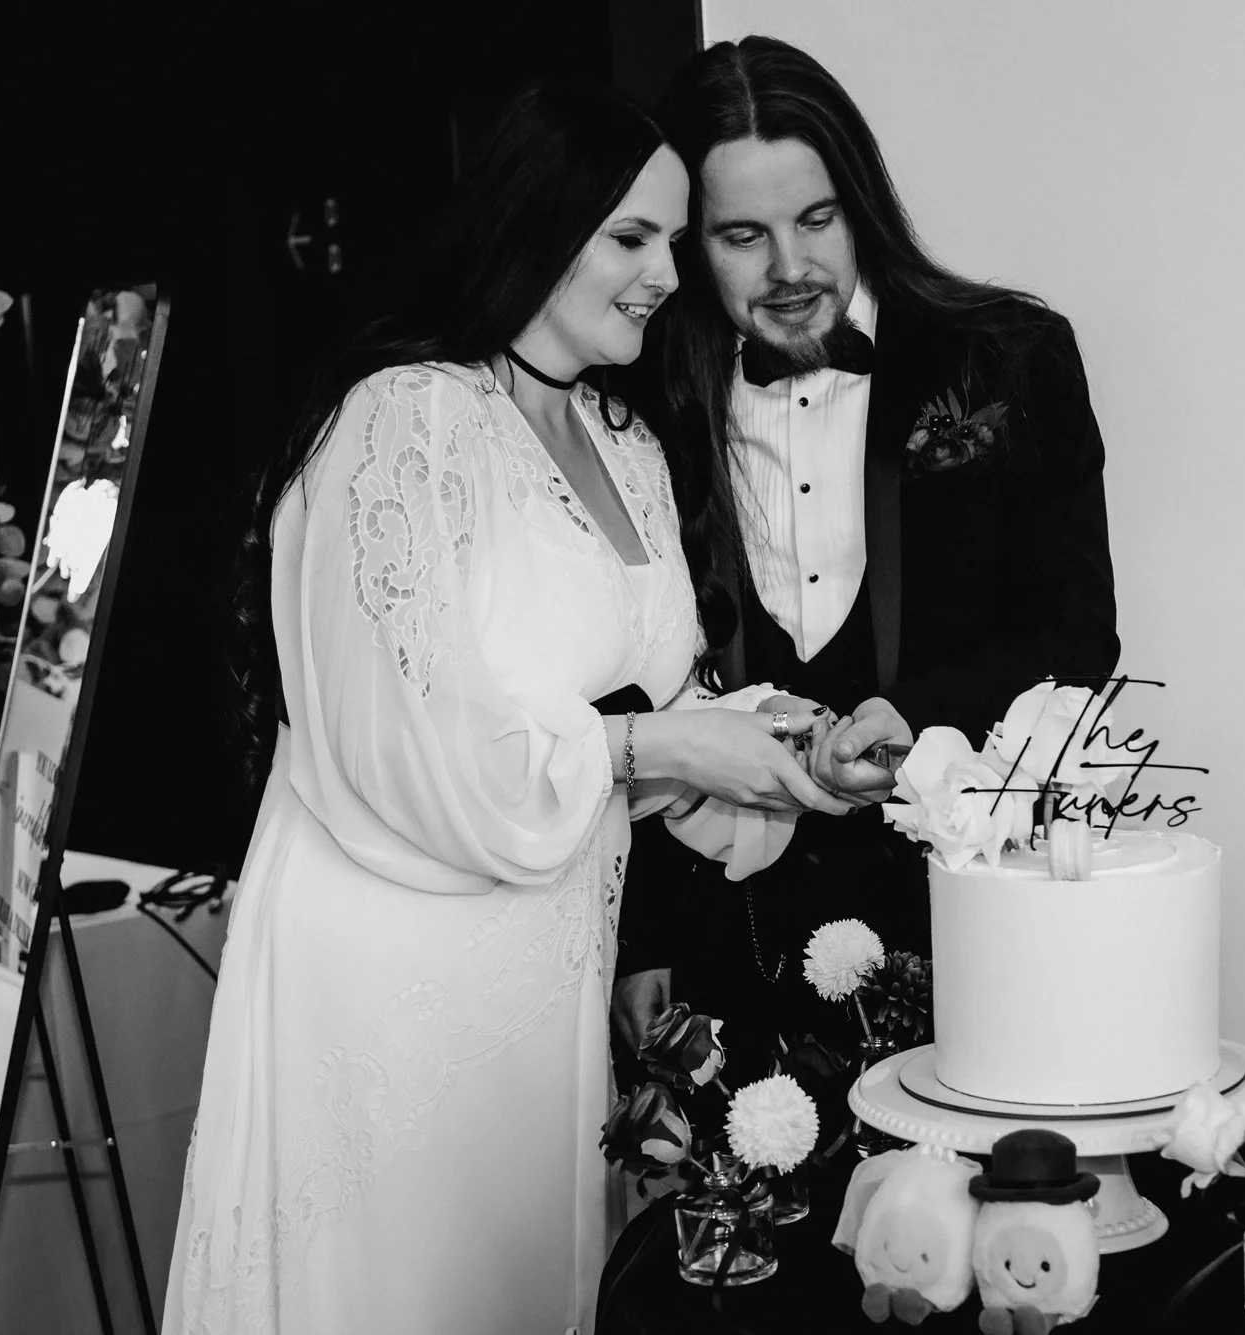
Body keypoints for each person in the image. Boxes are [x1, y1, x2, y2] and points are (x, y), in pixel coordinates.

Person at [169, 82, 852, 1335]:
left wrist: (796, 754)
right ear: (535, 226)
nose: (661, 276)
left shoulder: (625, 441)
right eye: (627, 239)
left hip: (548, 971)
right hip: (395, 973)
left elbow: (644, 717)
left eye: (669, 241)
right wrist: (657, 742)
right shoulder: (405, 421)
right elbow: (407, 744)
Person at [612, 37, 1121, 1076]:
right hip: (732, 932)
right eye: (742, 236)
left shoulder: (1008, 362)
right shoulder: (645, 402)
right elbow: (637, 687)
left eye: (815, 219)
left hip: (956, 906)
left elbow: (1076, 636)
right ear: (688, 245)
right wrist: (644, 939)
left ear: (861, 202)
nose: (790, 270)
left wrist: (919, 711)